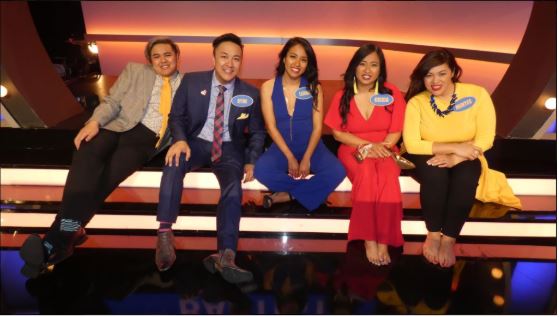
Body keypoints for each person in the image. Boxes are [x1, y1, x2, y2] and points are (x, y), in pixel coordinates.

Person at [19, 37, 183, 278]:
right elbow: (113, 101)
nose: (163, 60)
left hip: (146, 139)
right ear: (149, 60)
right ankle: (64, 238)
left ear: (177, 56)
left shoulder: (188, 84)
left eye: (167, 54)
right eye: (156, 56)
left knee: (104, 180)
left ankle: (55, 243)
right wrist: (95, 121)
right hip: (114, 126)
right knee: (86, 153)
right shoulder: (135, 70)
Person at [154, 33, 266, 283]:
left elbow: (258, 131)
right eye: (224, 56)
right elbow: (176, 116)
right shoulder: (192, 81)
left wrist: (251, 160)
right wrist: (180, 139)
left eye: (236, 59)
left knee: (233, 188)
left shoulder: (251, 93)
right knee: (173, 163)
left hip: (228, 149)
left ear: (241, 62)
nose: (230, 63)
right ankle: (164, 234)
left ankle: (226, 254)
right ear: (213, 56)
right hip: (195, 143)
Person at [403, 48, 508, 268]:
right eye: (428, 75)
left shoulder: (477, 94)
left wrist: (456, 157)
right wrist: (455, 148)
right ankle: (433, 235)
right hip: (427, 151)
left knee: (466, 177)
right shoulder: (417, 102)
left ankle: (449, 238)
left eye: (441, 73)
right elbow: (413, 144)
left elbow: (486, 138)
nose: (434, 80)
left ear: (452, 71)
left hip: (467, 154)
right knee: (435, 174)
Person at [324, 44, 406, 266]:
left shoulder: (391, 93)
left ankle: (385, 239)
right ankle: (369, 238)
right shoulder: (343, 95)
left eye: (374, 64)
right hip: (354, 148)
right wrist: (369, 145)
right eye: (362, 63)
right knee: (367, 175)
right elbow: (339, 134)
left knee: (388, 177)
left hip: (386, 148)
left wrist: (383, 146)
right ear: (354, 67)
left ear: (381, 69)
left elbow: (396, 131)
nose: (367, 69)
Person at [253, 37, 345, 211]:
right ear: (284, 58)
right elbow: (271, 127)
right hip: (281, 147)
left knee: (337, 171)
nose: (297, 63)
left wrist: (307, 158)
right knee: (261, 171)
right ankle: (309, 193)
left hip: (313, 146)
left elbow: (318, 127)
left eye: (303, 60)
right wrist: (290, 158)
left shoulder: (314, 87)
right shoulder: (268, 87)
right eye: (293, 56)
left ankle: (287, 195)